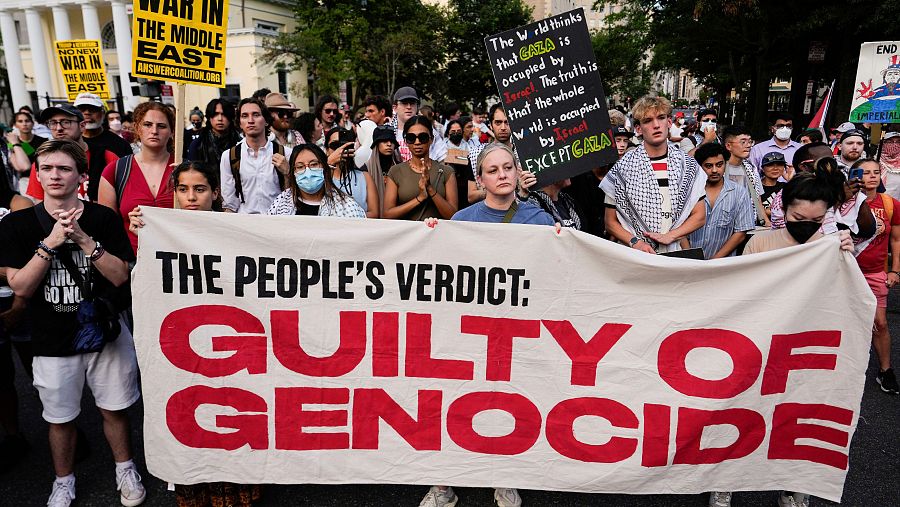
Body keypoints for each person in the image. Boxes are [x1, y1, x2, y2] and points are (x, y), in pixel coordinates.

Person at [0, 139, 144, 507]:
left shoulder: (102, 219)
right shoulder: (18, 224)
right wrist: (49, 244)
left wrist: (84, 241)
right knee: (60, 417)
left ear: (81, 176)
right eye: (46, 168)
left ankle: (124, 468)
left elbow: (119, 277)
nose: (54, 176)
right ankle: (63, 481)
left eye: (64, 169)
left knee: (114, 408)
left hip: (105, 332)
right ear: (37, 174)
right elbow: (21, 285)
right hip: (51, 339)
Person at [419, 143, 555, 507]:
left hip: (514, 331)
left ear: (516, 171)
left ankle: (505, 477)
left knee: (507, 403)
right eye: (492, 170)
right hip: (468, 331)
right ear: (480, 179)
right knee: (455, 403)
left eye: (507, 167)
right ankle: (444, 482)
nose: (502, 175)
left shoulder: (538, 219)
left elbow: (551, 273)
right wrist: (431, 235)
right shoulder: (462, 221)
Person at [715, 172, 856, 507]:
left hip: (807, 352)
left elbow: (849, 299)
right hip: (759, 346)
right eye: (797, 218)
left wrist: (847, 258)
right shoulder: (762, 242)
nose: (806, 225)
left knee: (798, 418)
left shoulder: (833, 245)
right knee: (741, 414)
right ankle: (724, 481)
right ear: (784, 208)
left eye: (816, 220)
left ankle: (794, 486)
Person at [127, 161, 264, 506]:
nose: (191, 197)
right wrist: (141, 231)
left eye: (200, 189)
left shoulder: (237, 227)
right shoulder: (157, 227)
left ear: (215, 192)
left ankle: (237, 492)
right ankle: (194, 488)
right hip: (185, 343)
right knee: (192, 413)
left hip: (232, 339)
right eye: (183, 190)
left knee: (232, 414)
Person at [600, 96, 707, 254]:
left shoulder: (688, 166)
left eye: (661, 118)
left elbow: (700, 216)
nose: (656, 125)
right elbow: (610, 222)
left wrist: (672, 235)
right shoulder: (622, 169)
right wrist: (635, 242)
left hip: (673, 253)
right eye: (648, 120)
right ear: (638, 128)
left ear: (669, 122)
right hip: (635, 254)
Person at [97, 101, 176, 253]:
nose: (154, 131)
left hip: (179, 260)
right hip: (134, 260)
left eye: (161, 126)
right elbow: (107, 226)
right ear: (137, 128)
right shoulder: (115, 171)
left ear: (172, 131)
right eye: (147, 124)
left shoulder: (185, 170)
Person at [852, 158, 900, 394]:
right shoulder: (844, 202)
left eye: (875, 172)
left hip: (875, 272)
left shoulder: (891, 204)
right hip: (846, 272)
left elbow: (896, 240)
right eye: (865, 172)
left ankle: (885, 370)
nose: (871, 176)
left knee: (880, 323)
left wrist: (894, 269)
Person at [769, 142, 875, 243]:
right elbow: (800, 239)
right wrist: (838, 199)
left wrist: (858, 196)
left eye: (833, 161)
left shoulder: (840, 188)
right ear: (804, 167)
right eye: (824, 162)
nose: (831, 166)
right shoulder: (786, 196)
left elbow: (867, 231)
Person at [0, 171, 33, 473]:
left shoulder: (17, 203)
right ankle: (13, 436)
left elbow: (32, 257)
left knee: (39, 372)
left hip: (22, 299)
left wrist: (20, 303)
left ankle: (66, 429)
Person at [25, 104, 120, 202]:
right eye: (53, 123)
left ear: (82, 126)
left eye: (66, 122)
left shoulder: (107, 157)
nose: (59, 128)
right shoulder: (43, 162)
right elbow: (40, 202)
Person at [220, 98, 291, 214]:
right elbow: (230, 203)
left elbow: (293, 197)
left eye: (256, 115)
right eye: (244, 116)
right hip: (245, 224)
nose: (251, 120)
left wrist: (287, 173)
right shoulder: (229, 156)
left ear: (266, 121)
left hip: (277, 221)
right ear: (239, 123)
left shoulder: (286, 153)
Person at [384, 115, 457, 221]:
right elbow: (387, 214)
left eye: (422, 137)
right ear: (405, 141)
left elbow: (453, 216)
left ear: (431, 139)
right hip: (408, 235)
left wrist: (430, 189)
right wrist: (420, 198)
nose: (417, 142)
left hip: (438, 235)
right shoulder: (396, 172)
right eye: (411, 138)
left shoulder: (446, 172)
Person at [687, 143, 754, 259]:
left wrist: (715, 260)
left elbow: (740, 233)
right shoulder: (689, 192)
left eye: (719, 165)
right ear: (700, 166)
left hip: (723, 265)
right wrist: (689, 255)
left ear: (725, 163)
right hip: (688, 262)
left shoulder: (739, 193)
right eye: (708, 166)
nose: (714, 170)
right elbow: (678, 226)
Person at [267, 143, 366, 218]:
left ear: (324, 167)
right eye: (300, 167)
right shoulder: (281, 203)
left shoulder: (346, 206)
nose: (308, 171)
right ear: (293, 171)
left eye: (314, 164)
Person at [324, 127, 379, 217]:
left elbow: (374, 213)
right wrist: (328, 163)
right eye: (335, 145)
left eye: (344, 144)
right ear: (326, 150)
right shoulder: (321, 177)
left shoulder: (364, 177)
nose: (340, 149)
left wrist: (350, 216)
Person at [722, 125, 767, 226]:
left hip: (748, 223)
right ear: (728, 146)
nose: (748, 145)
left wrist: (766, 222)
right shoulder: (719, 168)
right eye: (743, 142)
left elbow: (757, 198)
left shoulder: (751, 168)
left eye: (750, 141)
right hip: (724, 224)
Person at [390, 86, 446, 163]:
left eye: (412, 103)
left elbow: (442, 156)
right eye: (404, 103)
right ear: (395, 107)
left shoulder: (428, 129)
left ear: (417, 107)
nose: (409, 107)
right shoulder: (387, 131)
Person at [187, 98, 243, 168]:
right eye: (215, 114)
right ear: (209, 117)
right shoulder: (198, 145)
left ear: (230, 117)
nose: (220, 119)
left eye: (224, 114)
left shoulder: (241, 143)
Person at [74, 93, 132, 159]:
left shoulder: (120, 144)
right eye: (82, 109)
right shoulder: (70, 143)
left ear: (103, 113)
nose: (87, 113)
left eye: (93, 109)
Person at [6, 110, 47, 194]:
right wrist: (16, 143)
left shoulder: (43, 141)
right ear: (15, 125)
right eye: (20, 121)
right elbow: (20, 167)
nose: (24, 124)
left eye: (27, 121)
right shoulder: (11, 143)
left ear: (32, 123)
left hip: (43, 179)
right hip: (24, 182)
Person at [363, 124, 399, 217]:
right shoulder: (364, 169)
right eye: (384, 141)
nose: (389, 144)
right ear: (376, 144)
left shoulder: (400, 167)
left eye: (391, 141)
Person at [443, 119, 475, 210]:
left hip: (466, 185)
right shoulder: (443, 146)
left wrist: (455, 157)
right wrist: (463, 158)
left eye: (459, 131)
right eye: (453, 131)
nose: (456, 133)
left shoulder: (468, 145)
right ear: (448, 133)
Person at [760, 152, 787, 220]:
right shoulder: (756, 187)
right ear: (763, 169)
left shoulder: (786, 186)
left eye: (779, 165)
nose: (775, 168)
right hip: (760, 228)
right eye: (770, 165)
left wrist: (789, 179)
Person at [879, 131, 900, 200]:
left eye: (898, 142)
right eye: (889, 142)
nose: (894, 145)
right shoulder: (875, 164)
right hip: (878, 206)